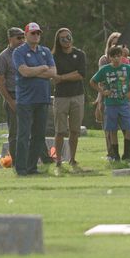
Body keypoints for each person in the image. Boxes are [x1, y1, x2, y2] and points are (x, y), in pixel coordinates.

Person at [13, 22, 56, 176]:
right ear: (26, 35)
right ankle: (21, 168)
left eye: (38, 33)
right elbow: (24, 72)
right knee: (23, 135)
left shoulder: (45, 51)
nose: (36, 35)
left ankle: (32, 167)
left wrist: (34, 71)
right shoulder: (19, 52)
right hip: (25, 100)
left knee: (38, 135)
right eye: (33, 33)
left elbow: (53, 72)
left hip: (42, 98)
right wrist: (42, 68)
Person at [91, 45, 130, 162]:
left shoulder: (127, 68)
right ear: (109, 57)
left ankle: (127, 153)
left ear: (122, 56)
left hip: (124, 103)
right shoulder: (105, 69)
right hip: (110, 104)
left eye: (119, 56)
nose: (116, 59)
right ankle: (115, 154)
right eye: (113, 56)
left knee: (128, 127)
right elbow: (92, 81)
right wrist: (102, 92)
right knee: (112, 129)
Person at [51, 27, 89, 172]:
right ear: (58, 41)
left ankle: (72, 158)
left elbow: (81, 74)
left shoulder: (79, 54)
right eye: (63, 38)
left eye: (68, 37)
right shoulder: (54, 56)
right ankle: (58, 159)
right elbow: (54, 76)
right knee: (60, 131)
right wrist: (67, 76)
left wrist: (62, 77)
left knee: (74, 130)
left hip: (77, 95)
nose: (66, 40)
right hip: (61, 97)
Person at [0, 27, 24, 149]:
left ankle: (36, 157)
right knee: (15, 132)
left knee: (32, 129)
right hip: (13, 96)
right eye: (19, 38)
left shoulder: (27, 53)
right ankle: (16, 158)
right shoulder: (4, 56)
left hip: (28, 95)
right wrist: (10, 101)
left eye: (23, 37)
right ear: (10, 39)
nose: (22, 40)